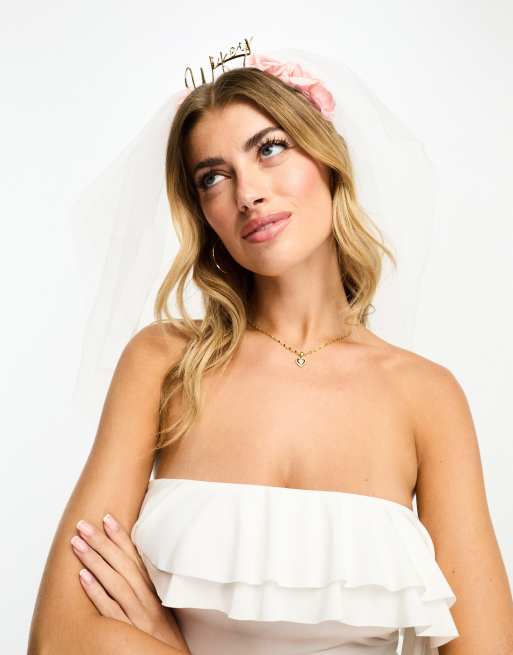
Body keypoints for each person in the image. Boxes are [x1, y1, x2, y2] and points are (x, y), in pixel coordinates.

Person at [28, 43, 513, 655]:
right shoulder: (165, 364)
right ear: (204, 213)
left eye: (269, 148)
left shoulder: (426, 396)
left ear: (327, 157)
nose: (248, 193)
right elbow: (57, 638)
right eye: (213, 177)